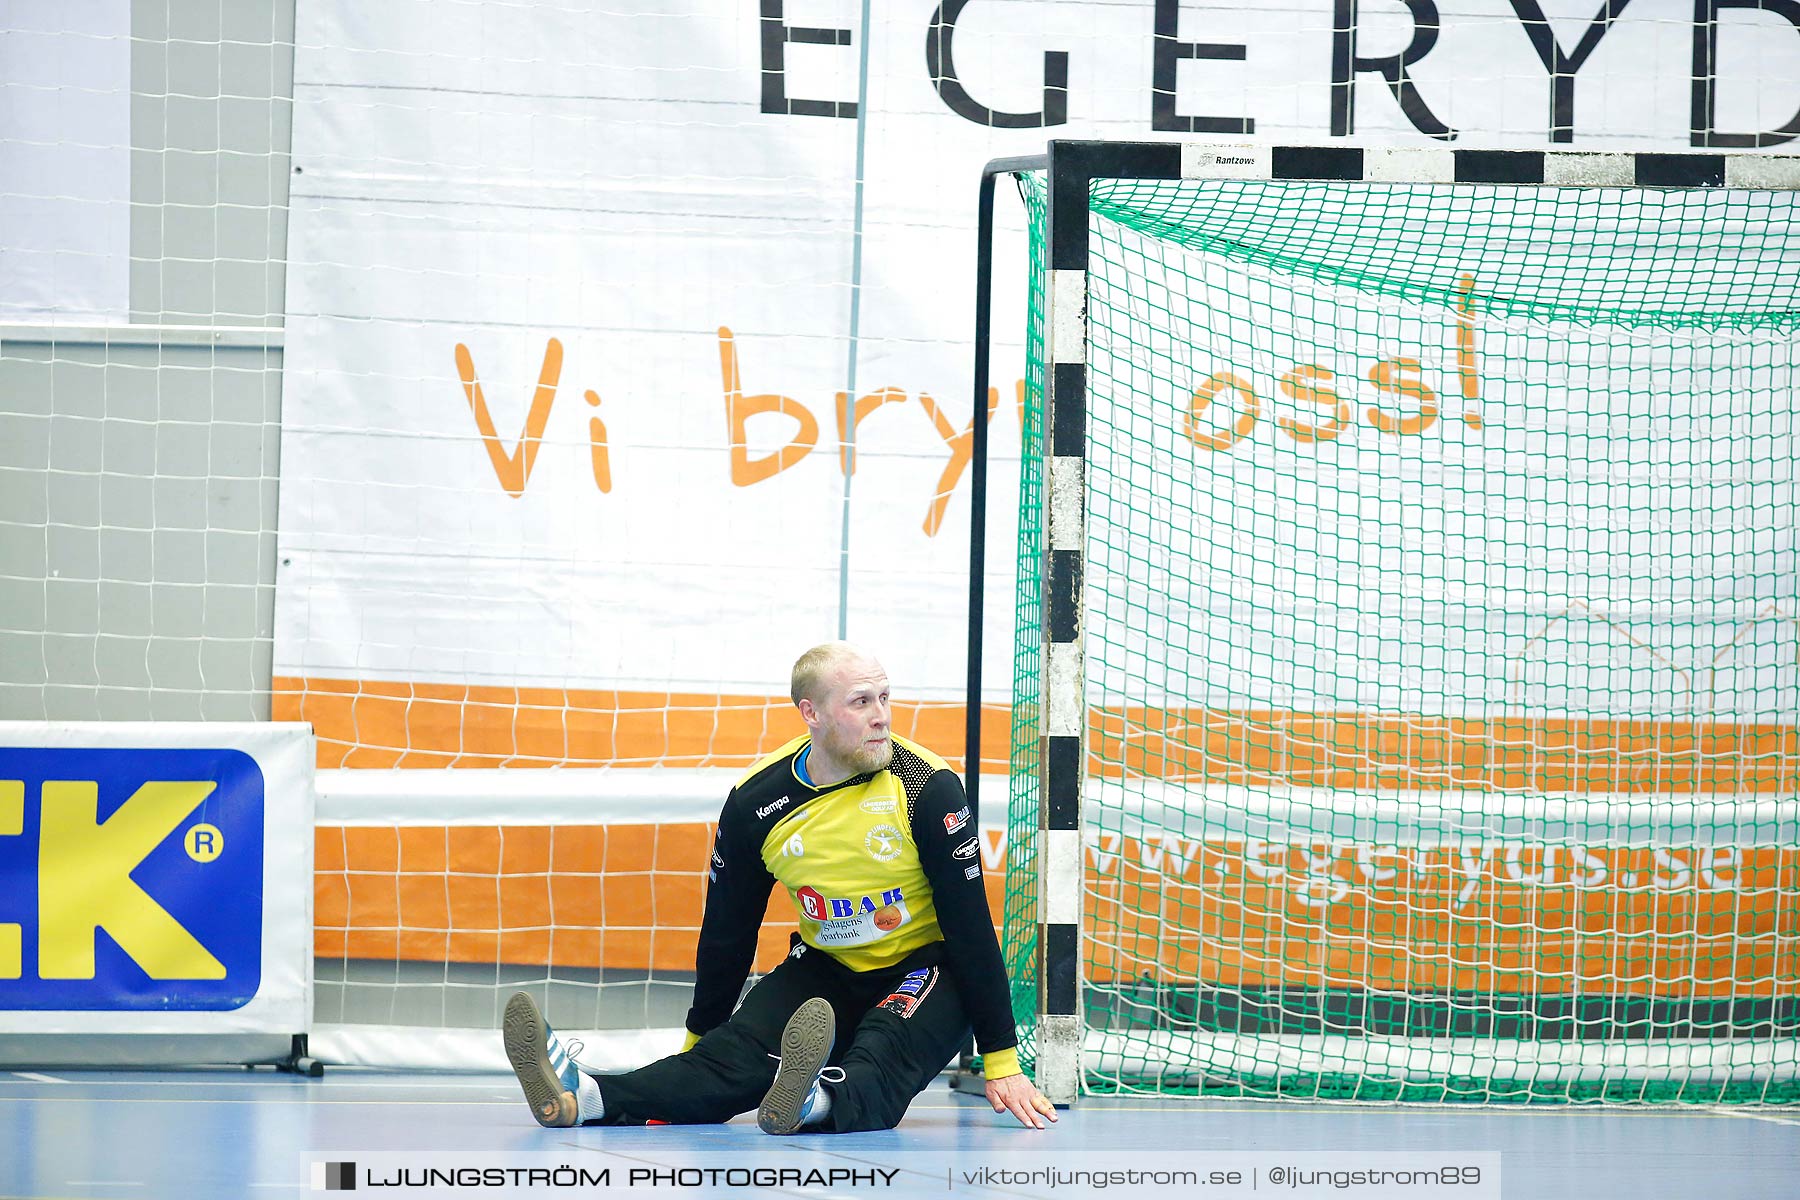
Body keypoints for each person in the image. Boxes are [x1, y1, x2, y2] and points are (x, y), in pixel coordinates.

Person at [503, 641, 1057, 1134]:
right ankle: (586, 1095)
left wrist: (1003, 1060)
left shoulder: (924, 787)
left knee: (882, 1050)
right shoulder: (755, 803)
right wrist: (703, 1044)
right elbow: (727, 934)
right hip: (827, 965)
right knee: (731, 1062)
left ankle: (812, 1101)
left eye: (885, 699)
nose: (882, 718)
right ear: (809, 712)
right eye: (861, 702)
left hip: (927, 968)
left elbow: (970, 927)